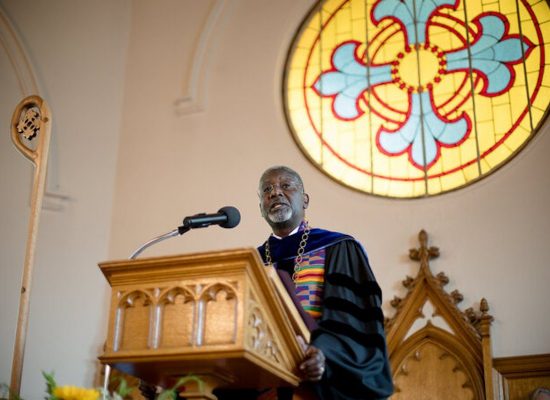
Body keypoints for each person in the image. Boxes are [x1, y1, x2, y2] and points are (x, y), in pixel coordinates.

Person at [256, 165, 393, 399]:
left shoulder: (338, 247)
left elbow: (354, 323)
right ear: (261, 208)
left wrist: (324, 354)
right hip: (266, 381)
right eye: (267, 189)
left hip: (321, 383)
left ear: (305, 200)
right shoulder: (254, 261)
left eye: (286, 186)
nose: (275, 193)